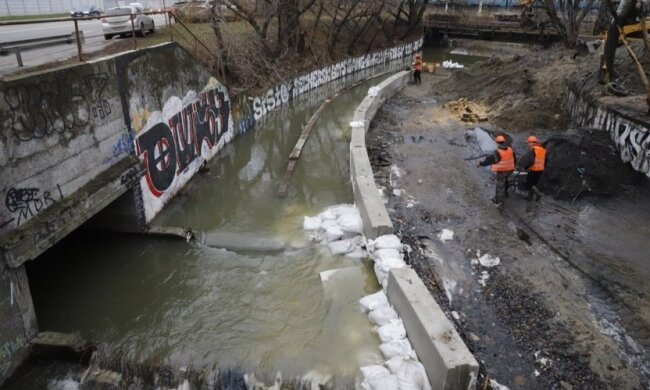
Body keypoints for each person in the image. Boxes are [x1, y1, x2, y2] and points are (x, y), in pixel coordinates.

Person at [478, 135, 515, 210]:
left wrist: (480, 163)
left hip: (502, 172)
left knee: (500, 187)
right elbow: (514, 159)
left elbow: (488, 161)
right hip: (510, 170)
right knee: (503, 183)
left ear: (497, 143)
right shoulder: (510, 149)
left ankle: (500, 204)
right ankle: (496, 198)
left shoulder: (497, 152)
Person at [517, 135, 546, 201]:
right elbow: (546, 159)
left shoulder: (533, 150)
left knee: (529, 183)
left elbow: (529, 160)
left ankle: (538, 194)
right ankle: (530, 197)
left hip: (534, 169)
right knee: (534, 183)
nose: (528, 145)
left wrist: (524, 167)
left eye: (528, 143)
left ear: (531, 142)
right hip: (540, 169)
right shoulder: (543, 149)